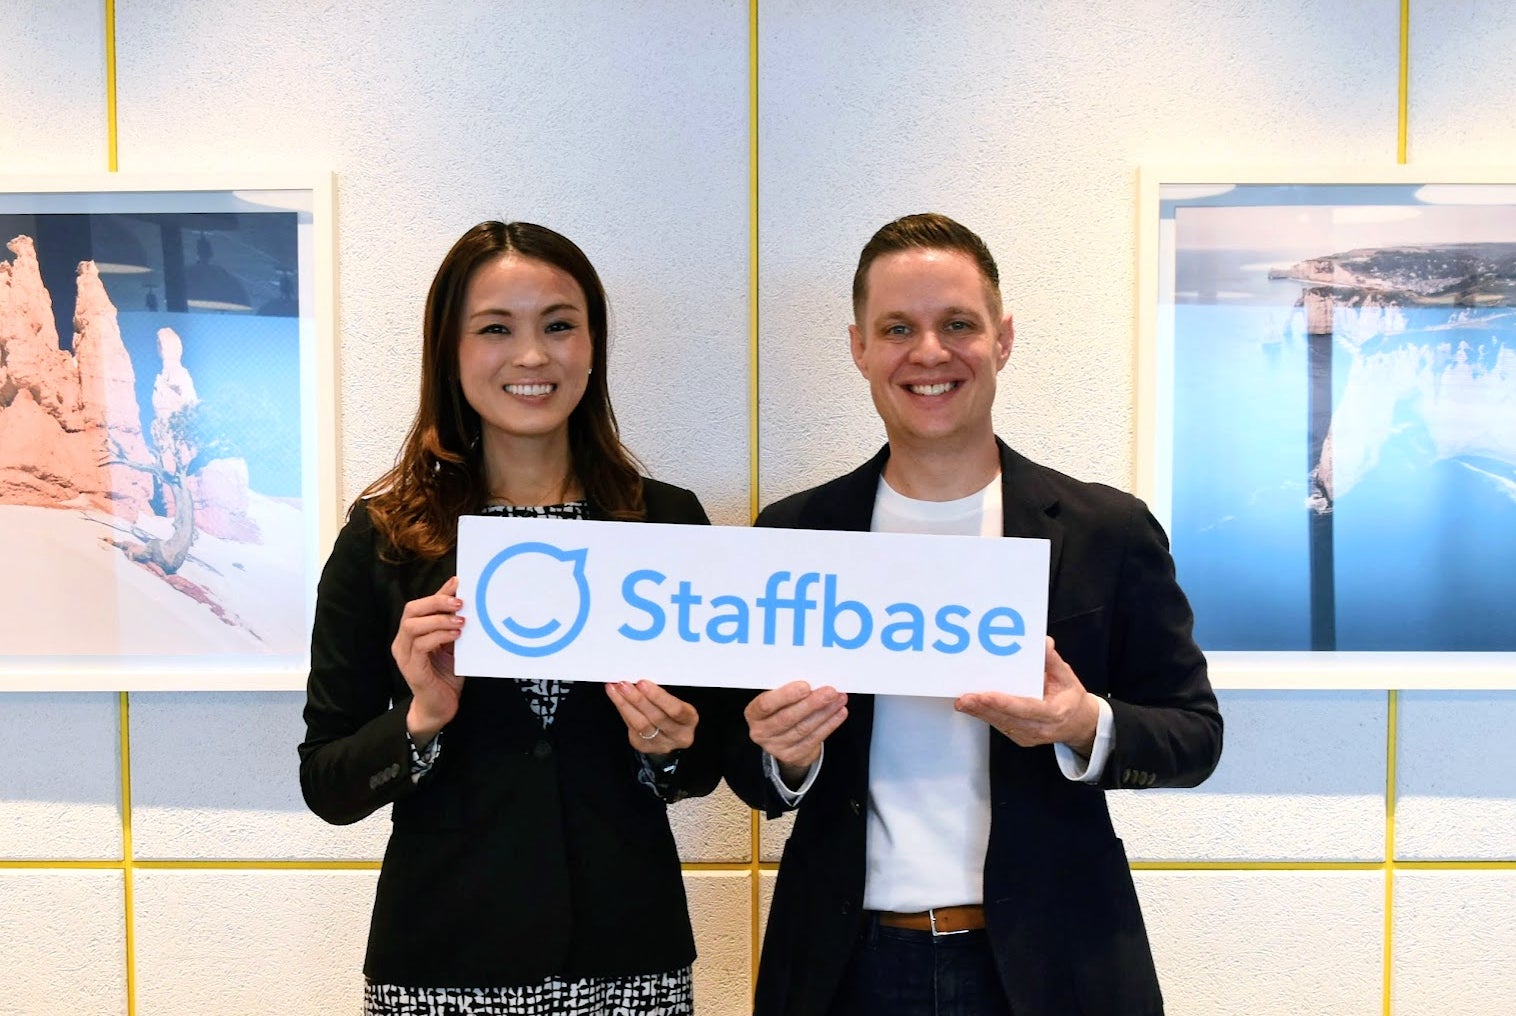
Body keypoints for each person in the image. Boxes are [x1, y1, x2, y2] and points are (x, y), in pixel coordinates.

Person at [726, 213, 1223, 1016]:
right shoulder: (794, 536)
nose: (929, 352)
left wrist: (1083, 724)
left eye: (958, 324)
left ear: (1003, 339)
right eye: (898, 328)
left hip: (1052, 965)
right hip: (842, 969)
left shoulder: (1107, 531)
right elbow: (748, 766)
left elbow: (1195, 735)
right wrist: (783, 757)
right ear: (859, 348)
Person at [299, 221, 726, 1015]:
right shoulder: (384, 537)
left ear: (593, 347)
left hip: (628, 954)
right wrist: (421, 720)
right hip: (441, 960)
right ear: (449, 351)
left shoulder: (664, 523)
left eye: (559, 325)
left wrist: (667, 748)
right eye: (496, 329)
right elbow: (327, 782)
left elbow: (705, 761)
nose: (532, 356)